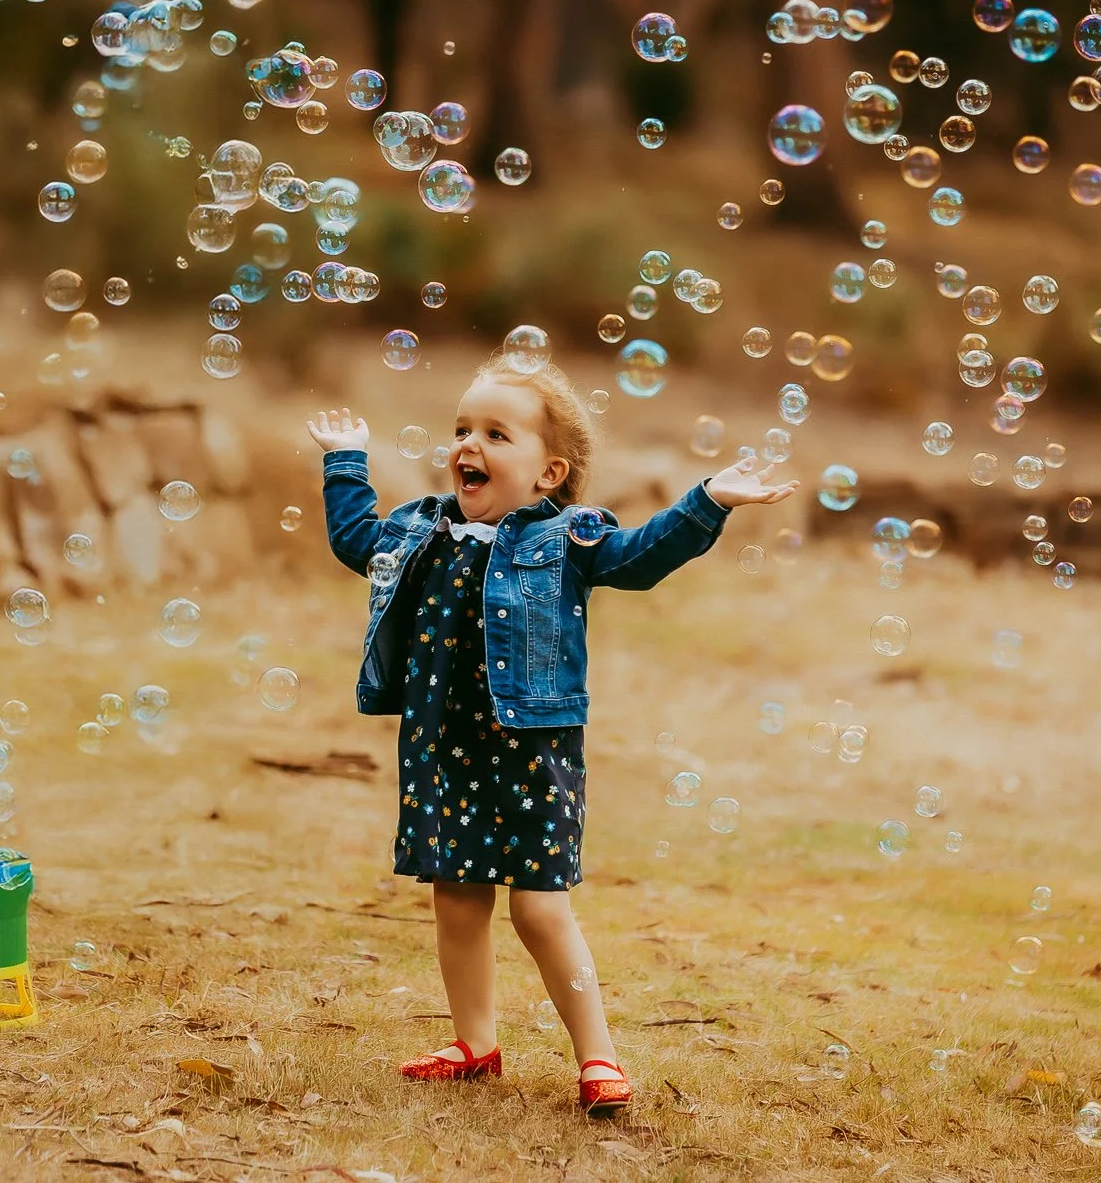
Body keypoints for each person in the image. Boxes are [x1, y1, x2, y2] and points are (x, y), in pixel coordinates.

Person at [305, 349, 798, 1115]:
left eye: (498, 434)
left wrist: (709, 500)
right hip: (444, 748)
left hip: (532, 752)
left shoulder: (567, 537)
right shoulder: (423, 529)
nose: (469, 444)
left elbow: (640, 556)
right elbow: (353, 539)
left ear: (548, 472)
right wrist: (344, 460)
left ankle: (597, 1054)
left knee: (539, 908)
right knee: (457, 897)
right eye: (463, 428)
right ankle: (475, 1043)